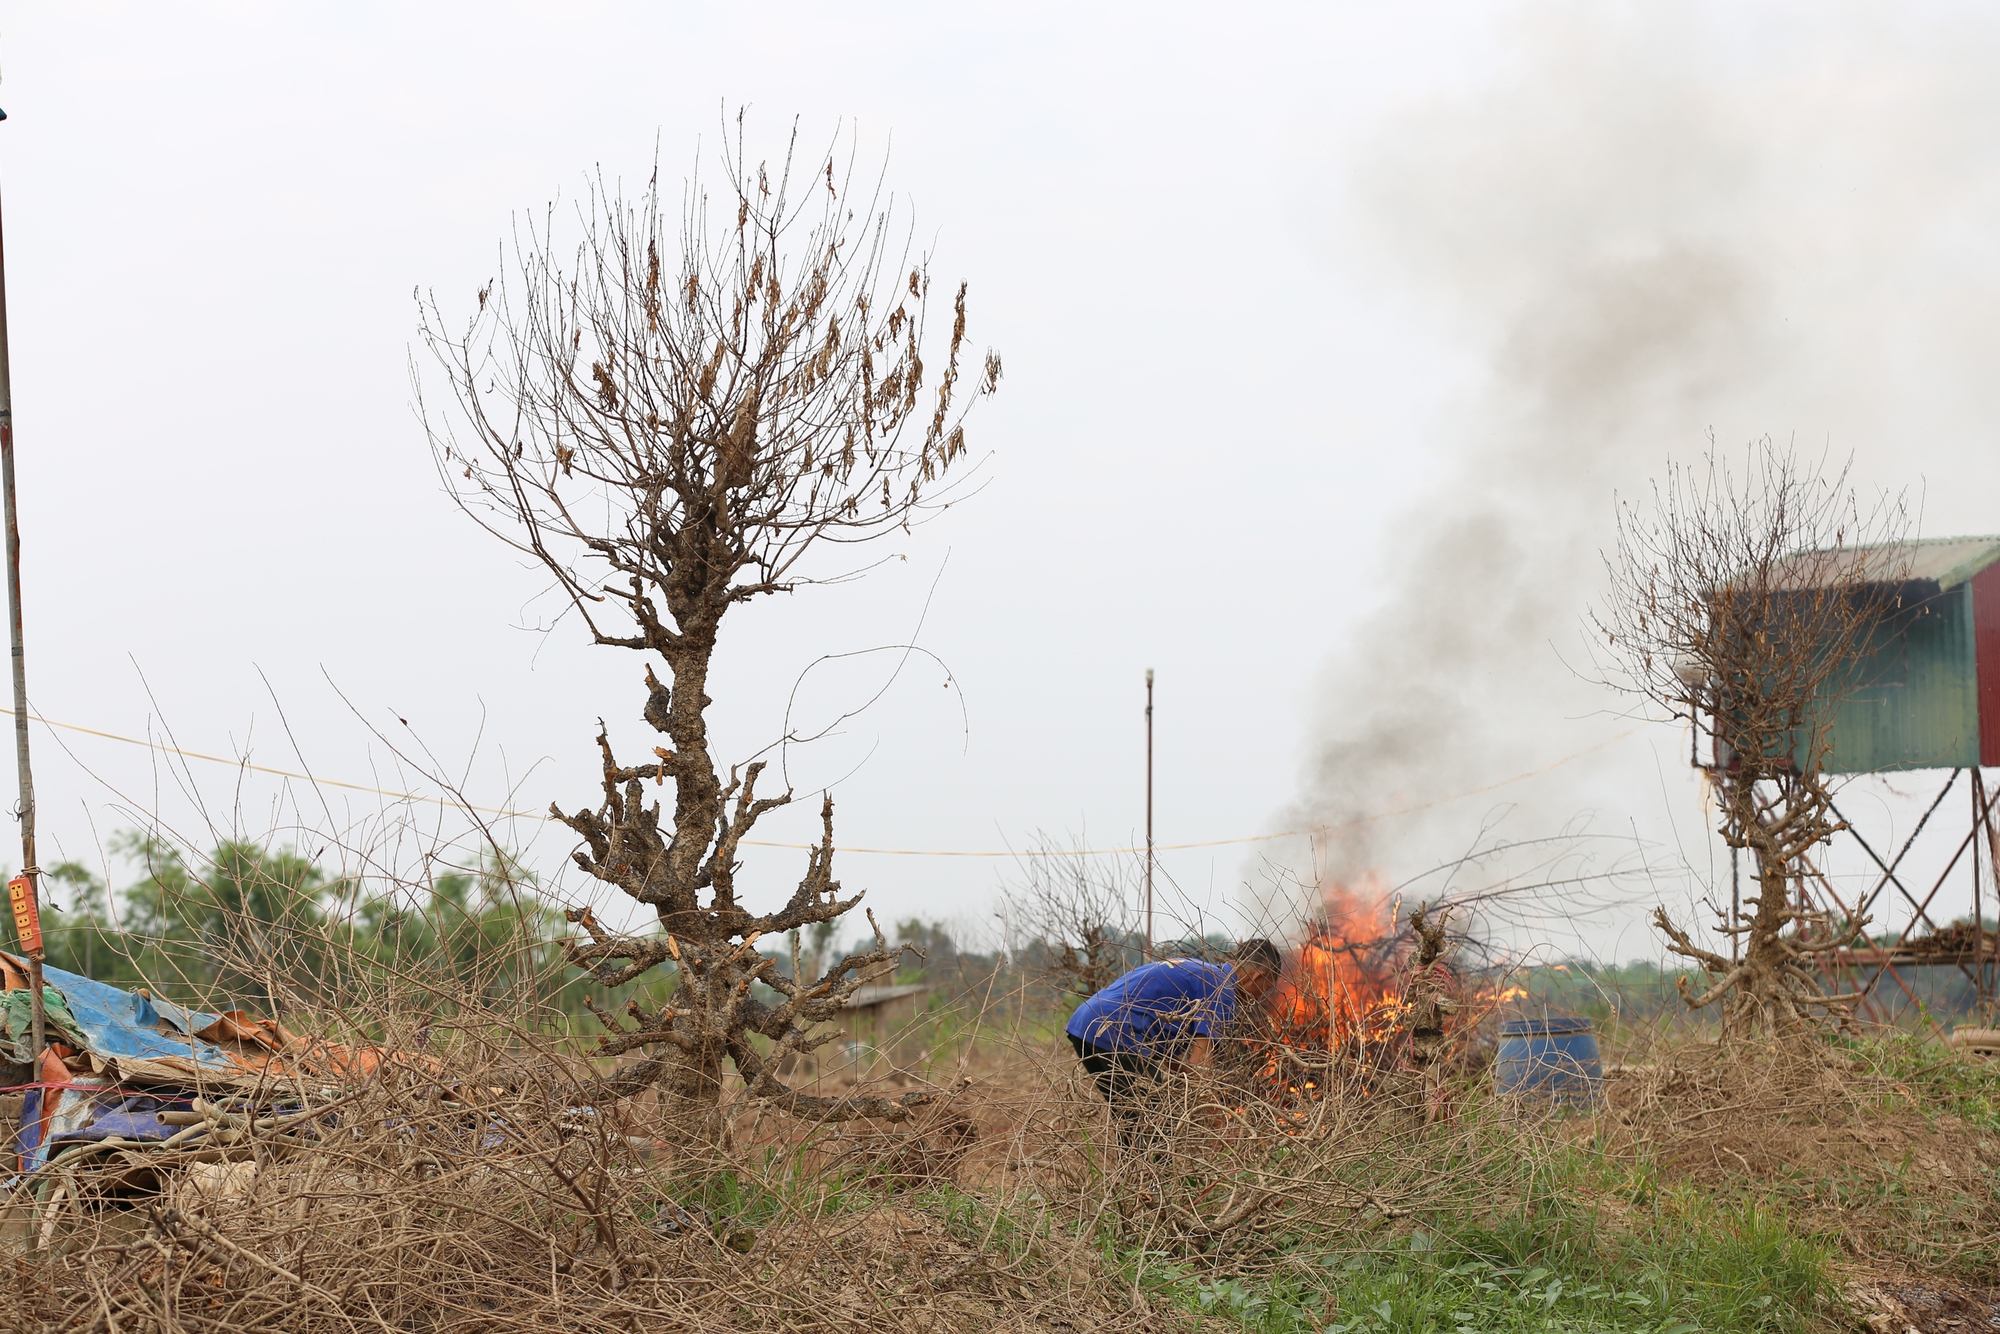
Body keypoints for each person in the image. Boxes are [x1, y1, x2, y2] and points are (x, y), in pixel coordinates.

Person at [1065, 939, 1282, 1144]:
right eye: (1266, 988)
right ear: (1258, 977)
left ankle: (1131, 1181)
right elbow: (1200, 1069)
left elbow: (1178, 1062)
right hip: (1116, 1031)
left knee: (1132, 1119)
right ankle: (1160, 1182)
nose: (1260, 997)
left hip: (1086, 1024)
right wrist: (1222, 1126)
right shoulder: (1222, 989)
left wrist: (1198, 1094)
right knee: (1158, 1121)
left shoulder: (1200, 972)